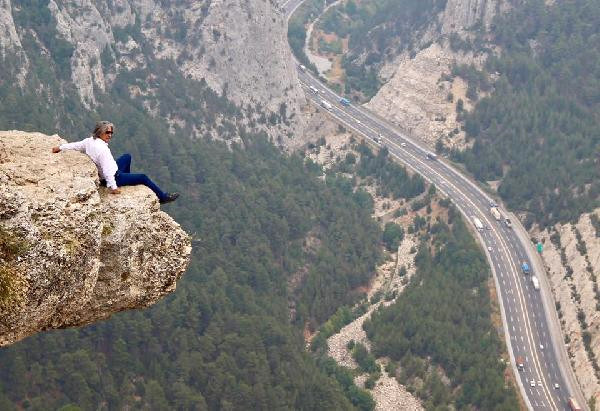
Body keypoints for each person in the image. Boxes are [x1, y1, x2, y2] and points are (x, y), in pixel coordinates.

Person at [52, 121, 179, 204]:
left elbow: (76, 145)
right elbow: (107, 171)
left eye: (111, 132)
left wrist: (60, 147)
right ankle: (163, 198)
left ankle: (127, 179)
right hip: (115, 177)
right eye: (107, 132)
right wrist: (113, 187)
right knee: (143, 177)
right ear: (99, 132)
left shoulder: (90, 141)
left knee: (127, 157)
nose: (110, 135)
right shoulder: (102, 150)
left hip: (112, 171)